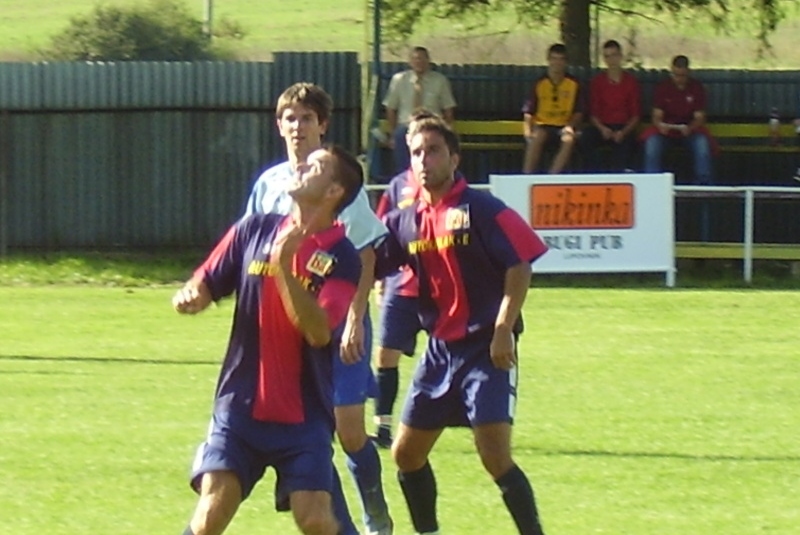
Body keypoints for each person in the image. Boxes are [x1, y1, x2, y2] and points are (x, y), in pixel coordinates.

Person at [173, 144, 364, 535]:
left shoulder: (343, 256)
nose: (303, 166)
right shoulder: (254, 228)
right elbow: (209, 278)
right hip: (239, 406)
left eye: (316, 167)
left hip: (303, 416)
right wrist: (194, 294)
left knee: (314, 518)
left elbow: (317, 330)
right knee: (212, 511)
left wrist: (284, 269)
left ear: (333, 192)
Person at [375, 115, 550, 535]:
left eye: (433, 150)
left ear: (454, 157)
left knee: (494, 458)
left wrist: (504, 327)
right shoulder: (406, 218)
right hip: (439, 351)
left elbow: (520, 265)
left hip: (486, 349)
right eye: (416, 153)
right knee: (406, 455)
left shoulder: (482, 209)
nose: (423, 160)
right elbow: (370, 260)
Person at [244, 83, 392, 535]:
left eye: (307, 118)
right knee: (314, 437)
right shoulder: (269, 186)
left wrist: (354, 318)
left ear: (322, 125)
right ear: (279, 125)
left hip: (339, 320)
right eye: (290, 118)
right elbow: (249, 249)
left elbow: (366, 254)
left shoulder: (339, 183)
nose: (298, 127)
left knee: (349, 431)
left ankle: (376, 513)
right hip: (291, 332)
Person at [370, 111, 431, 449]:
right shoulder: (397, 186)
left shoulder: (445, 181)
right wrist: (380, 281)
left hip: (438, 288)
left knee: (448, 355)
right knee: (385, 355)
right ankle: (382, 425)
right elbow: (382, 234)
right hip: (401, 285)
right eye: (413, 138)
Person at [641, 54, 715, 184]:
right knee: (652, 145)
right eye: (675, 75)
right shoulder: (663, 87)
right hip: (666, 133)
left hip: (689, 132)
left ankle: (702, 187)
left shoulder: (696, 88)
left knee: (702, 145)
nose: (679, 79)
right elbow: (656, 115)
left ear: (688, 72)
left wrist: (690, 128)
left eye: (682, 76)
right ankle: (652, 184)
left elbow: (699, 117)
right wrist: (660, 126)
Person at [382, 46, 457, 174]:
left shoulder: (440, 81)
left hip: (431, 125)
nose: (419, 62)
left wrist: (449, 131)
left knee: (437, 143)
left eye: (422, 59)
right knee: (400, 136)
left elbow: (448, 108)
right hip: (406, 126)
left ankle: (433, 175)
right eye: (415, 59)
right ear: (410, 62)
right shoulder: (399, 80)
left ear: (428, 61)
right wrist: (392, 134)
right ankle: (406, 179)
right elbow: (390, 108)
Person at [522, 43, 584, 174]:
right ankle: (526, 176)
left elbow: (579, 111)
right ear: (548, 60)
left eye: (561, 59)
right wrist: (528, 131)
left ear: (566, 62)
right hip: (543, 125)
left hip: (563, 125)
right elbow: (529, 111)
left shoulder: (574, 84)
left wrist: (570, 126)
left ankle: (552, 177)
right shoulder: (539, 83)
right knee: (537, 137)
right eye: (554, 59)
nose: (557, 63)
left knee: (568, 139)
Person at [579, 39, 641, 172]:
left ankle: (619, 176)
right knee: (585, 138)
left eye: (614, 55)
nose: (611, 60)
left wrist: (623, 132)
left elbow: (635, 115)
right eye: (607, 56)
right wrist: (602, 129)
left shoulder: (630, 82)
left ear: (620, 57)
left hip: (624, 127)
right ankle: (595, 174)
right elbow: (593, 113)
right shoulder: (597, 82)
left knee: (627, 144)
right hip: (603, 126)